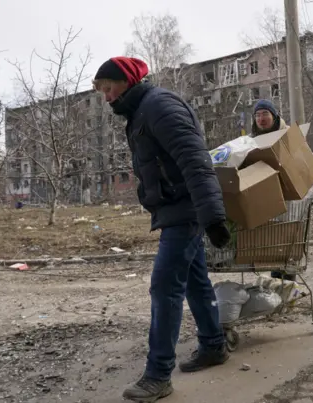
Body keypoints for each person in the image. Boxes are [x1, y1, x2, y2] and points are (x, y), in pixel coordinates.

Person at [92, 57, 231, 402]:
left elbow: (195, 161)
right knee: (196, 281)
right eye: (103, 93)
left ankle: (158, 375)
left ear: (126, 81)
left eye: (109, 89)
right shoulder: (141, 111)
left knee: (164, 286)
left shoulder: (159, 106)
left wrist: (213, 218)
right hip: (176, 209)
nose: (107, 98)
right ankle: (214, 345)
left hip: (184, 211)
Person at [248, 99, 296, 281]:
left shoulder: (287, 136)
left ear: (274, 116)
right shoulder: (251, 141)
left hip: (287, 195)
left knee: (287, 240)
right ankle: (277, 283)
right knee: (273, 240)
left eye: (265, 114)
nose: (261, 118)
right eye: (257, 115)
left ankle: (288, 284)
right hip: (264, 196)